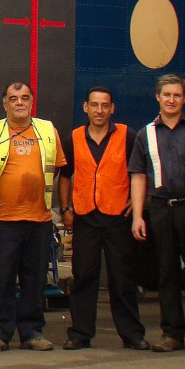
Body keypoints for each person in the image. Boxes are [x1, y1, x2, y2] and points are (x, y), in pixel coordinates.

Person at [130, 73, 185, 355]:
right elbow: (139, 176)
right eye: (166, 95)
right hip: (160, 210)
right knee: (166, 273)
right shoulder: (146, 134)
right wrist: (138, 216)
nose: (171, 100)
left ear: (184, 99)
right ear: (157, 97)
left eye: (177, 95)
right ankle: (171, 334)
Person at [0, 81, 66, 353]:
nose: (19, 102)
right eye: (13, 98)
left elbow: (58, 168)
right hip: (3, 220)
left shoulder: (48, 131)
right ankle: (0, 333)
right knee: (1, 277)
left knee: (34, 277)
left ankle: (31, 332)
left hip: (38, 219)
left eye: (25, 98)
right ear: (4, 104)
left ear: (31, 102)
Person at [57, 86, 148, 350]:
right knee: (83, 276)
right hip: (85, 217)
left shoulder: (127, 136)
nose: (99, 110)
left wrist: (137, 201)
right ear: (85, 107)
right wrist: (65, 209)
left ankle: (132, 334)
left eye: (104, 105)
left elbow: (139, 172)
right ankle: (80, 333)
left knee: (122, 278)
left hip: (118, 216)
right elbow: (65, 176)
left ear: (112, 109)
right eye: (94, 105)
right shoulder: (73, 138)